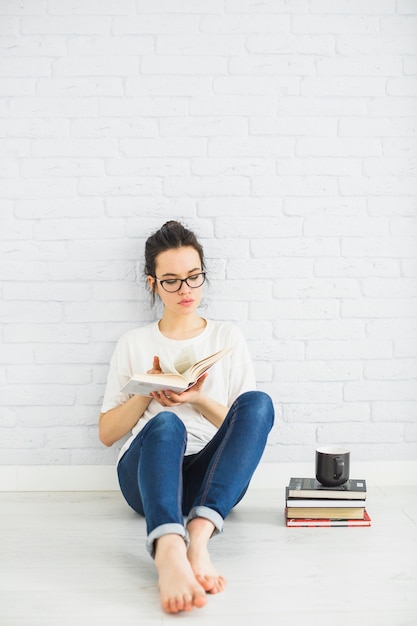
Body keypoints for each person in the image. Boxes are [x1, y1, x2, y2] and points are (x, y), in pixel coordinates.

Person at [99, 220, 274, 614]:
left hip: (207, 479)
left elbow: (243, 426)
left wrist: (195, 397)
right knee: (167, 423)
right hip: (146, 476)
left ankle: (198, 536)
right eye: (172, 281)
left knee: (259, 402)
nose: (186, 291)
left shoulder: (227, 337)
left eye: (194, 278)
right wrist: (146, 395)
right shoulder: (134, 342)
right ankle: (168, 549)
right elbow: (107, 434)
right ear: (152, 284)